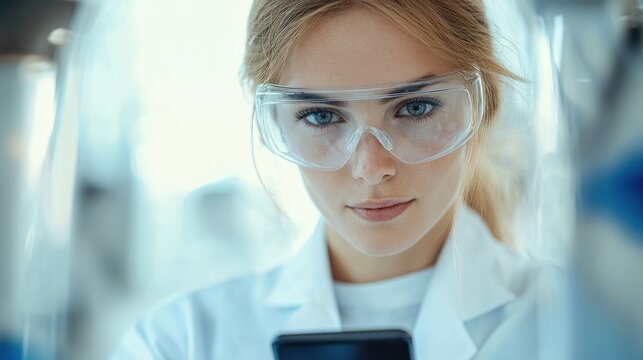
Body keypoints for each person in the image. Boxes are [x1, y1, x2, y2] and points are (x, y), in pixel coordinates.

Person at [112, 0, 552, 359]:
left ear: (483, 106)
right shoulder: (178, 343)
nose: (371, 166)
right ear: (278, 125)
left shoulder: (580, 323)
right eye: (321, 116)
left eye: (415, 108)